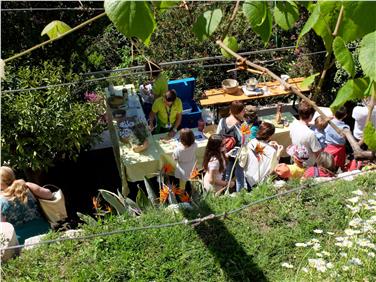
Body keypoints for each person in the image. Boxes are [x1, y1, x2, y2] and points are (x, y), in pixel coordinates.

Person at [0, 166, 53, 244]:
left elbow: (3, 229)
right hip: (44, 233)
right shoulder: (27, 186)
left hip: (21, 241)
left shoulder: (1, 200)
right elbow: (49, 195)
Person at [216, 101, 246, 192]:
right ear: (238, 112)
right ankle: (240, 193)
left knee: (226, 174)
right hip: (237, 154)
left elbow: (217, 136)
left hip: (225, 153)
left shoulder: (222, 121)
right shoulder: (243, 125)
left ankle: (224, 191)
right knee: (239, 175)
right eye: (243, 111)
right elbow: (245, 141)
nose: (244, 112)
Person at [245, 122, 284, 188]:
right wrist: (279, 153)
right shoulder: (272, 151)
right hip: (258, 181)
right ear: (270, 136)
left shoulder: (251, 142)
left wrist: (268, 144)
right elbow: (273, 168)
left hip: (248, 175)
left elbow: (259, 151)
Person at [289, 100, 322, 167]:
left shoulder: (293, 124)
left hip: (295, 159)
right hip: (306, 164)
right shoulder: (310, 133)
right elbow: (317, 152)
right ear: (310, 116)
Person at [324, 106, 349, 171]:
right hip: (340, 150)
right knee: (336, 166)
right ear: (345, 116)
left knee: (326, 166)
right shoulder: (346, 127)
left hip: (328, 147)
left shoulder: (328, 123)